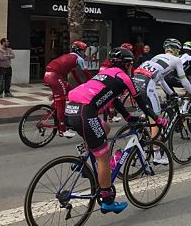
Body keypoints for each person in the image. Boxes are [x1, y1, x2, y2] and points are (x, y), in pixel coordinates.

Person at [65, 47, 158, 214]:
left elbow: (113, 100)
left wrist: (128, 117)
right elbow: (142, 102)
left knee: (104, 128)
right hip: (85, 112)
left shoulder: (106, 73)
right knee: (103, 156)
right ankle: (107, 199)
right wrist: (157, 120)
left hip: (70, 108)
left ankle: (82, 160)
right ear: (128, 64)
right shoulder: (124, 78)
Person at [43, 41, 92, 137]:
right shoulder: (79, 59)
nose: (84, 53)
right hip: (55, 77)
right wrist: (93, 82)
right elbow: (86, 74)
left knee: (71, 90)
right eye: (83, 51)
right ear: (79, 51)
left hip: (48, 75)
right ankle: (62, 129)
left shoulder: (69, 57)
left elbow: (75, 74)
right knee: (61, 101)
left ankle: (52, 110)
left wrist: (81, 85)